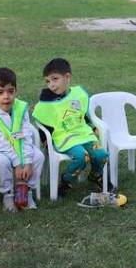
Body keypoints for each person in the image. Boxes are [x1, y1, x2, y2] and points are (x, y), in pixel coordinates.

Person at [0, 67, 44, 211]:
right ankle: (8, 194)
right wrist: (18, 163)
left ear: (15, 91)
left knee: (38, 156)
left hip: (18, 143)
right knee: (2, 161)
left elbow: (26, 134)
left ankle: (25, 189)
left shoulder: (20, 108)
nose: (6, 96)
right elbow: (0, 143)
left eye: (11, 91)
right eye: (0, 92)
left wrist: (27, 161)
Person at [32, 58, 107, 195]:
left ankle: (94, 176)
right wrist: (45, 141)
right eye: (48, 81)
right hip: (64, 138)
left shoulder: (78, 94)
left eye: (55, 79)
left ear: (67, 77)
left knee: (101, 154)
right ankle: (66, 180)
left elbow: (82, 115)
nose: (51, 85)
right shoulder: (46, 103)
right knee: (81, 156)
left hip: (84, 134)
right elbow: (44, 123)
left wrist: (91, 126)